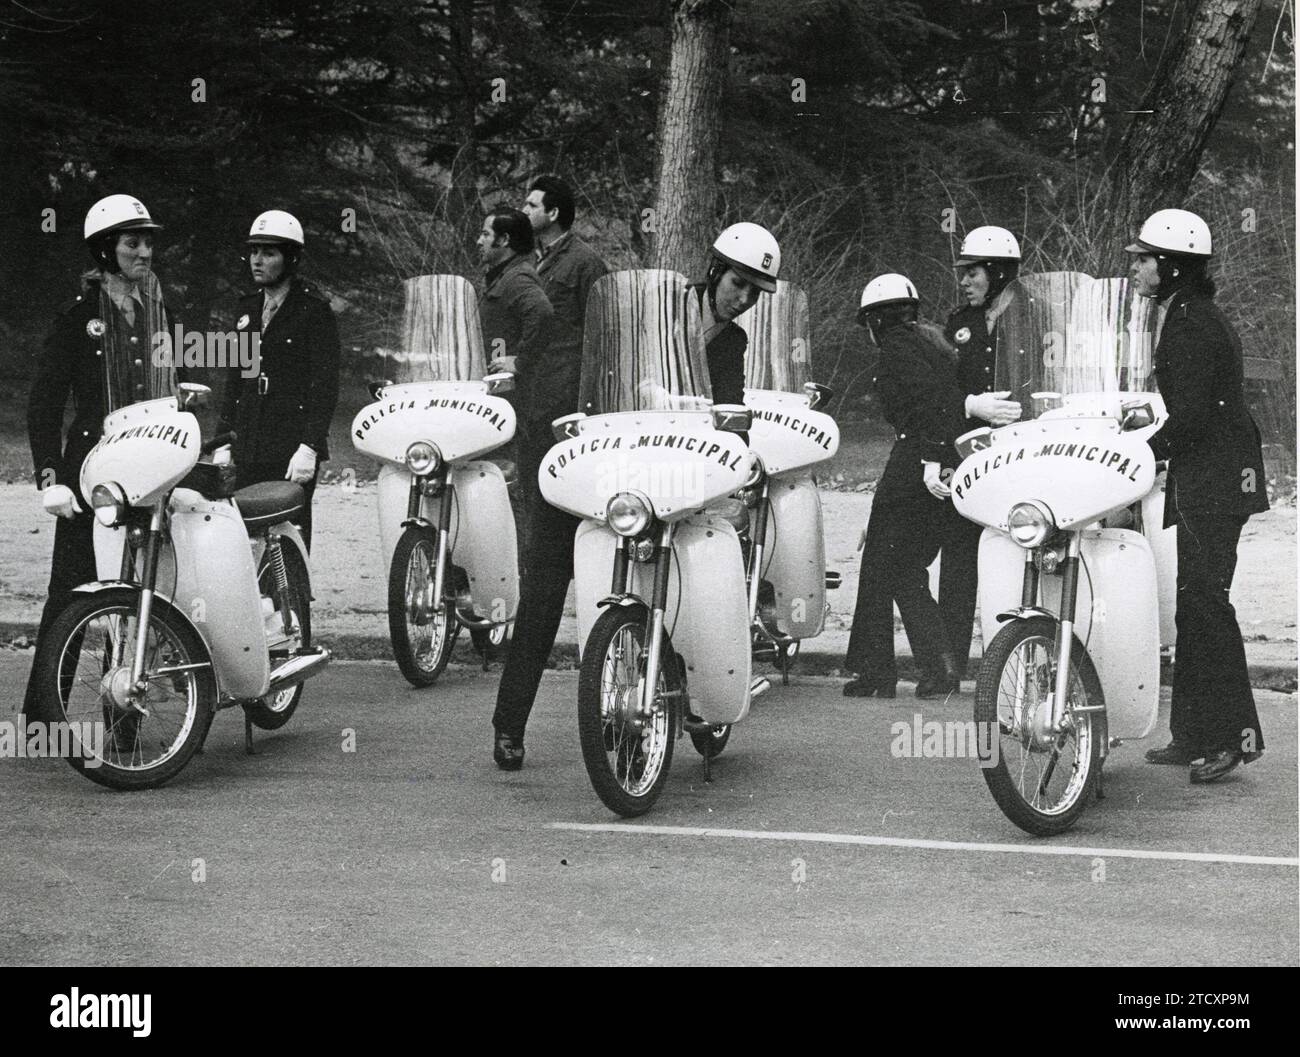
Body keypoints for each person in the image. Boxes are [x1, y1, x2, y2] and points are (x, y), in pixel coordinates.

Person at [1125, 208, 1268, 784]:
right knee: (1193, 603)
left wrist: (1140, 452)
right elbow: (1191, 405)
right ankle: (1190, 735)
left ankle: (1234, 739)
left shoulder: (1189, 322)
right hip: (1212, 476)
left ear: (1171, 265)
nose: (1135, 269)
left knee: (1208, 605)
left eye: (1143, 260)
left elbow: (1192, 416)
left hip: (1216, 481)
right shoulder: (1187, 313)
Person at [23, 194, 177, 716]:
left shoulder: (159, 310)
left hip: (150, 465)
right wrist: (50, 479)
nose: (145, 252)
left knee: (137, 591)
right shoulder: (77, 317)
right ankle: (43, 716)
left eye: (149, 241)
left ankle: (124, 716)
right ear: (105, 250)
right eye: (133, 242)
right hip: (91, 473)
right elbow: (44, 404)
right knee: (70, 593)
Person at [844, 275, 971, 698]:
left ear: (878, 319)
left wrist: (930, 459)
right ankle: (917, 667)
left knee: (893, 567)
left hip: (917, 461)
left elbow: (930, 402)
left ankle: (909, 669)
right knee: (897, 566)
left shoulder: (898, 348)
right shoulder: (930, 342)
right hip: (930, 460)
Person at [476, 205, 564, 771]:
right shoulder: (526, 271)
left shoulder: (523, 278)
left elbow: (544, 319)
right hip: (535, 424)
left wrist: (520, 367)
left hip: (546, 427)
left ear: (506, 241)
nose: (479, 241)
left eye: (486, 234)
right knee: (541, 578)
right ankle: (510, 721)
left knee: (544, 577)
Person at [217, 209, 340, 551]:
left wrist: (310, 446)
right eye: (254, 251)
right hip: (249, 437)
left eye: (268, 253)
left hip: (290, 441)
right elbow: (235, 379)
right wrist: (223, 441)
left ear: (290, 259)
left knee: (289, 538)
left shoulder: (313, 311)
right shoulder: (246, 309)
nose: (257, 260)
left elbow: (324, 385)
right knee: (241, 534)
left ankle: (294, 603)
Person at [939, 226, 1024, 679]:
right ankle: (950, 661)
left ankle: (1013, 659)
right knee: (958, 556)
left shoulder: (1033, 314)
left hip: (1019, 450)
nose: (965, 281)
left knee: (1015, 548)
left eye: (972, 272)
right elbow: (949, 387)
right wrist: (971, 409)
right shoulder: (959, 323)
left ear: (997, 271)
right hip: (970, 451)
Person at [691, 222, 781, 406]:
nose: (744, 300)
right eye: (737, 283)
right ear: (715, 272)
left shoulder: (733, 340)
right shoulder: (669, 306)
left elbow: (730, 404)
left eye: (755, 292)